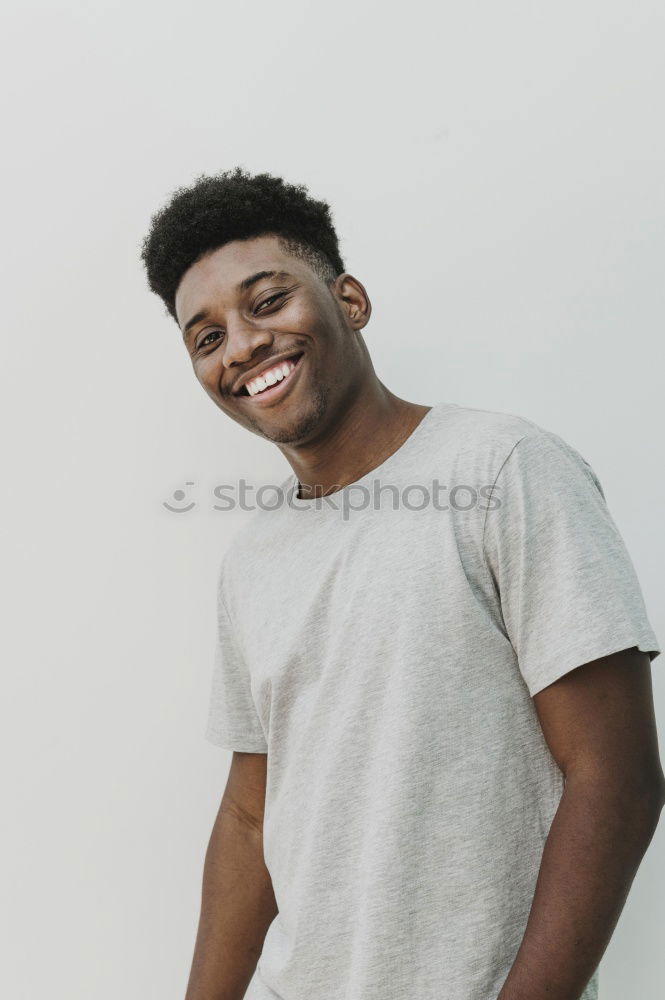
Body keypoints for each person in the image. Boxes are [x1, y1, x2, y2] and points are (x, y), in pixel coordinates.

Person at [140, 167, 664, 1000]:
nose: (240, 345)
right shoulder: (254, 560)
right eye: (206, 338)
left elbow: (617, 775)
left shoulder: (503, 470)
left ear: (348, 300)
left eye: (267, 301)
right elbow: (248, 819)